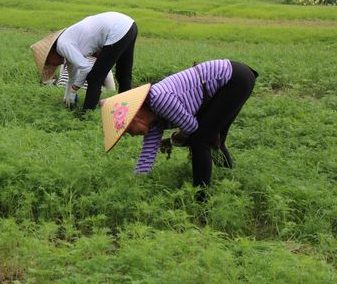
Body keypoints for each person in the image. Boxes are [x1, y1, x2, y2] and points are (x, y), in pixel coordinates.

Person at [101, 59, 257, 198]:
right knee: (213, 137)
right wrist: (135, 185)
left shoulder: (158, 99)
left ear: (135, 117)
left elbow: (191, 127)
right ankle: (228, 178)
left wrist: (175, 138)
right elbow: (147, 156)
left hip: (234, 79)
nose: (131, 135)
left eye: (127, 130)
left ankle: (201, 199)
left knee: (201, 139)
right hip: (232, 80)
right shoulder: (154, 121)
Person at [30, 11, 138, 111]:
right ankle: (126, 112)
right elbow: (72, 77)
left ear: (50, 54)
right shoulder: (66, 43)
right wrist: (68, 97)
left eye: (49, 63)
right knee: (123, 74)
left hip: (117, 29)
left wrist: (75, 88)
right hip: (129, 25)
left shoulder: (62, 45)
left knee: (95, 77)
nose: (54, 65)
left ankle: (87, 115)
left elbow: (86, 68)